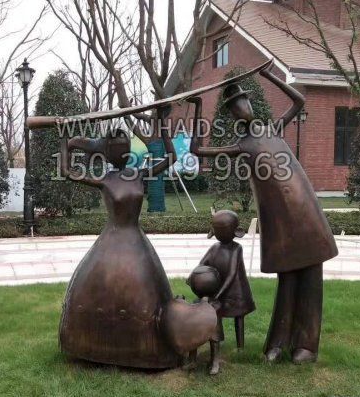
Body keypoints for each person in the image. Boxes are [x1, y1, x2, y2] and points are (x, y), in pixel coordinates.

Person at [187, 63, 338, 364]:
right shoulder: (241, 145)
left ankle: (306, 345)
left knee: (311, 277)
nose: (243, 109)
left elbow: (299, 101)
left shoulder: (273, 128)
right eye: (236, 108)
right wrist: (198, 108)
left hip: (305, 210)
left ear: (251, 104)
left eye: (244, 102)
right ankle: (279, 341)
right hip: (280, 218)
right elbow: (197, 151)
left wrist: (270, 75)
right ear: (233, 116)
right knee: (288, 277)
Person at [56, 123, 182, 369]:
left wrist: (162, 122)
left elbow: (171, 157)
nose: (121, 150)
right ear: (106, 152)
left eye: (124, 145)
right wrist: (65, 138)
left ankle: (144, 351)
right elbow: (67, 170)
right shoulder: (104, 179)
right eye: (115, 146)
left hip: (136, 243)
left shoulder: (138, 174)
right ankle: (95, 347)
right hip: (110, 242)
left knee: (144, 296)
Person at [190, 209, 256, 375]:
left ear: (235, 232)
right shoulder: (214, 248)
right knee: (214, 314)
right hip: (216, 288)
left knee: (238, 317)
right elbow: (202, 265)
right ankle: (200, 352)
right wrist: (194, 278)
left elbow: (232, 273)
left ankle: (240, 347)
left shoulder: (236, 249)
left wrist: (218, 294)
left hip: (235, 289)